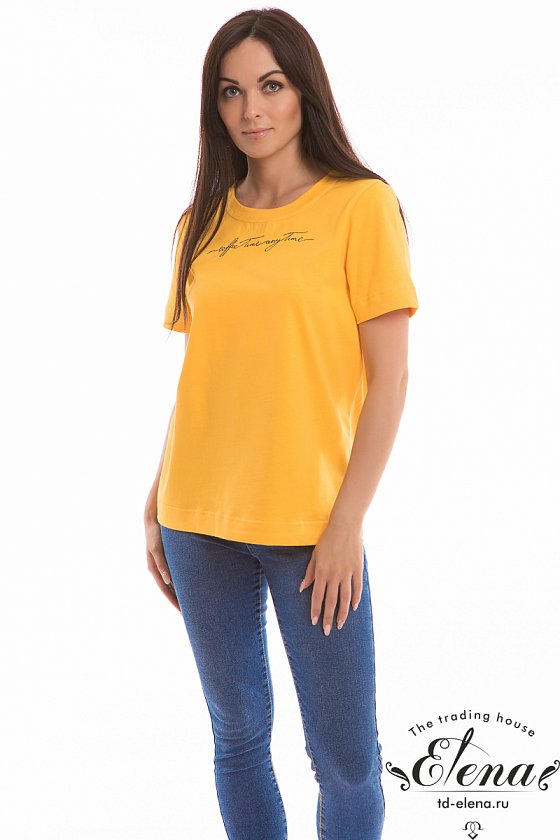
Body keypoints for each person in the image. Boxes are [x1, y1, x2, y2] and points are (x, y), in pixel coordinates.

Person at [144, 8, 419, 840]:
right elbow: (205, 375)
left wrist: (347, 525)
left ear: (305, 91)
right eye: (230, 92)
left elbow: (390, 380)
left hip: (312, 528)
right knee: (237, 738)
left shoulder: (361, 206)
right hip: (197, 518)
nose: (251, 109)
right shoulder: (201, 223)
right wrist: (155, 500)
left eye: (270, 85)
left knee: (346, 760)